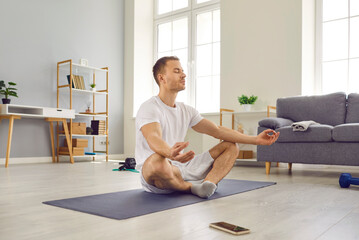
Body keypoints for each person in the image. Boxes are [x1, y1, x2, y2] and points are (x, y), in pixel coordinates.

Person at [135, 56, 280, 198]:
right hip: (157, 173)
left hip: (182, 168)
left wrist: (256, 140)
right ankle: (190, 187)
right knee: (156, 161)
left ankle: (207, 185)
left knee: (231, 146)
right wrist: (170, 153)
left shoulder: (187, 110)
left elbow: (217, 130)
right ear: (162, 78)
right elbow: (153, 137)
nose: (184, 75)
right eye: (177, 71)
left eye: (183, 71)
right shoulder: (149, 107)